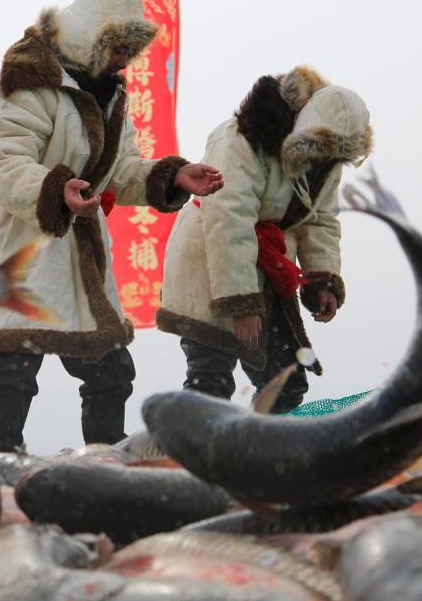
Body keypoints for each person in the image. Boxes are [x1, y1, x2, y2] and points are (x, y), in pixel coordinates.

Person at [0, 0, 224, 450]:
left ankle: (104, 461)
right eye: (117, 45)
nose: (125, 58)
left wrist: (174, 176)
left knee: (112, 372)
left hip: (81, 256)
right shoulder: (21, 83)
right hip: (25, 245)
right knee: (16, 367)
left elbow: (119, 171)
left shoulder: (110, 96)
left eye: (130, 48)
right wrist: (54, 190)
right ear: (91, 36)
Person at [157, 66, 372, 412]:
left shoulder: (327, 162)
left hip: (268, 265)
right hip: (210, 263)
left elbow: (319, 220)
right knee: (210, 378)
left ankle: (263, 456)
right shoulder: (240, 139)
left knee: (285, 382)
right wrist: (240, 303)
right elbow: (229, 220)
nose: (324, 159)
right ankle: (191, 457)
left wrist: (323, 279)